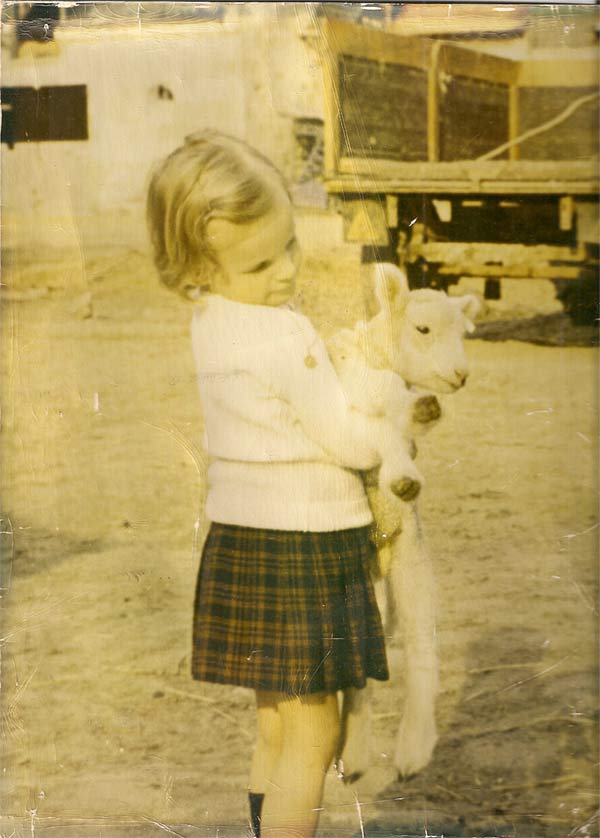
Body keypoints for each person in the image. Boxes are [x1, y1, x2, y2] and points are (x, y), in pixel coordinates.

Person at [147, 129, 400, 837]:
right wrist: (387, 427)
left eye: (289, 246)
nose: (285, 272)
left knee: (276, 728)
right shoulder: (283, 336)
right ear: (200, 263)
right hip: (308, 545)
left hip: (244, 541)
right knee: (315, 735)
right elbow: (348, 439)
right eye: (260, 263)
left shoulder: (212, 320)